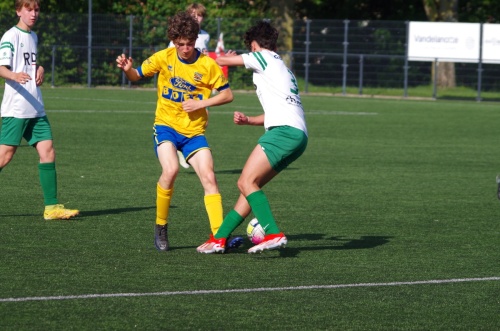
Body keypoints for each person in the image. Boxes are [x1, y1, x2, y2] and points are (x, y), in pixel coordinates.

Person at [116, 11, 234, 252]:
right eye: (180, 44)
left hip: (194, 132)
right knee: (170, 170)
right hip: (166, 126)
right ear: (174, 40)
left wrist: (201, 103)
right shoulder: (164, 57)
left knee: (209, 177)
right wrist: (128, 69)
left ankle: (218, 236)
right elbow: (136, 75)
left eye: (190, 44)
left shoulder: (207, 65)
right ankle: (161, 227)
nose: (185, 48)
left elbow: (227, 94)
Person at [197, 21, 308, 254]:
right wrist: (249, 120)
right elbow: (278, 111)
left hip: (283, 133)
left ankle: (274, 233)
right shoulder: (281, 66)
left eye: (250, 46)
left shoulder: (263, 56)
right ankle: (219, 238)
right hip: (296, 134)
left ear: (255, 45)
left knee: (245, 182)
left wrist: (196, 50)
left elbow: (222, 61)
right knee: (249, 188)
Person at [0, 0, 79, 220]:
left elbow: (30, 64)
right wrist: (14, 75)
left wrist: (40, 68)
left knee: (48, 152)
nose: (34, 14)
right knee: (4, 156)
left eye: (36, 9)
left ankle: (51, 208)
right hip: (16, 109)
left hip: (35, 107)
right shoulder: (10, 36)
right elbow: (1, 67)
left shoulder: (33, 36)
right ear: (18, 11)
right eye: (28, 9)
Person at [168, 3, 210, 169]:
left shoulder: (205, 36)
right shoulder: (179, 36)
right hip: (182, 84)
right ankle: (178, 146)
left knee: (203, 119)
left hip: (200, 84)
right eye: (193, 15)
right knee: (180, 115)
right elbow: (171, 58)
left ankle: (185, 147)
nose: (196, 18)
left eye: (199, 15)